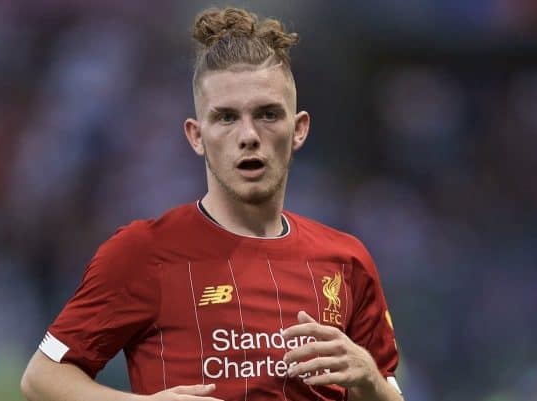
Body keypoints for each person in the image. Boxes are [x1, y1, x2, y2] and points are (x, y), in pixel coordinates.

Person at [20, 6, 403, 401]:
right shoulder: (142, 252)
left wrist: (372, 381)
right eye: (226, 118)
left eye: (268, 114)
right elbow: (41, 378)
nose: (249, 135)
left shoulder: (347, 260)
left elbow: (389, 391)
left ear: (299, 129)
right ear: (196, 135)